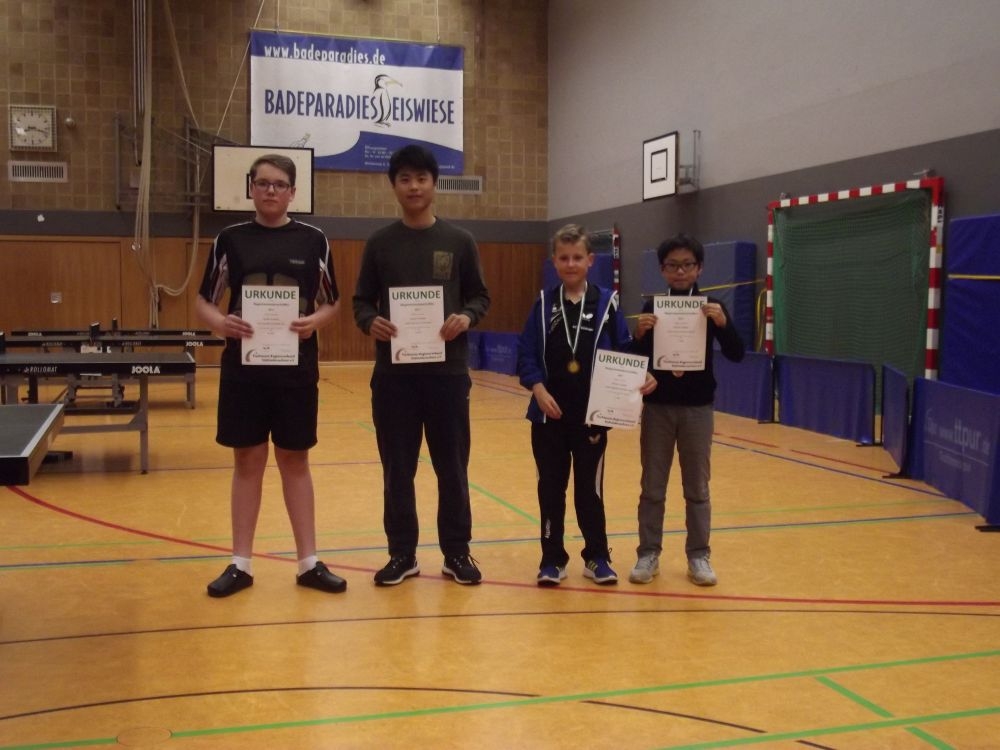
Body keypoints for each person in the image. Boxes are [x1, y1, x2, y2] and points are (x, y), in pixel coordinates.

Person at [196, 153, 347, 598]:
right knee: (247, 461)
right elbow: (205, 300)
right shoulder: (229, 239)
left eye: (279, 184)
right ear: (251, 188)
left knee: (295, 460)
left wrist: (315, 322)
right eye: (262, 183)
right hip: (243, 372)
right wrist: (221, 324)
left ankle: (308, 563)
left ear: (293, 192)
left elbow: (333, 301)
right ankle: (240, 563)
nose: (270, 191)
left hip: (296, 372)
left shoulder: (314, 240)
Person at [353, 144, 490, 586]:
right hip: (394, 379)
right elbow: (361, 301)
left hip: (447, 376)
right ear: (393, 186)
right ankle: (402, 555)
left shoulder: (459, 241)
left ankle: (457, 552)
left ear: (434, 184)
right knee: (398, 470)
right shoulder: (379, 243)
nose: (414, 186)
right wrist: (370, 321)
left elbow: (479, 296)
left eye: (421, 178)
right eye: (405, 179)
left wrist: (466, 316)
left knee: (452, 468)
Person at [516, 224, 657, 587]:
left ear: (590, 260)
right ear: (554, 261)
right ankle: (552, 559)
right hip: (548, 418)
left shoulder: (607, 303)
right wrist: (538, 389)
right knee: (551, 490)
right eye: (564, 258)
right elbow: (526, 353)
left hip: (592, 418)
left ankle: (597, 557)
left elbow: (623, 350)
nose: (571, 264)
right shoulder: (543, 303)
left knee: (589, 492)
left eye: (577, 257)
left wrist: (642, 371)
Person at [627, 233, 745, 586]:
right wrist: (638, 335)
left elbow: (737, 353)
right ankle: (648, 553)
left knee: (697, 488)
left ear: (699, 268)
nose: (680, 271)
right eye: (673, 265)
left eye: (687, 265)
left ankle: (699, 556)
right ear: (662, 270)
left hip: (697, 410)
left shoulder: (712, 308)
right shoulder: (652, 306)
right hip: (657, 410)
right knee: (652, 487)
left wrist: (723, 325)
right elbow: (636, 361)